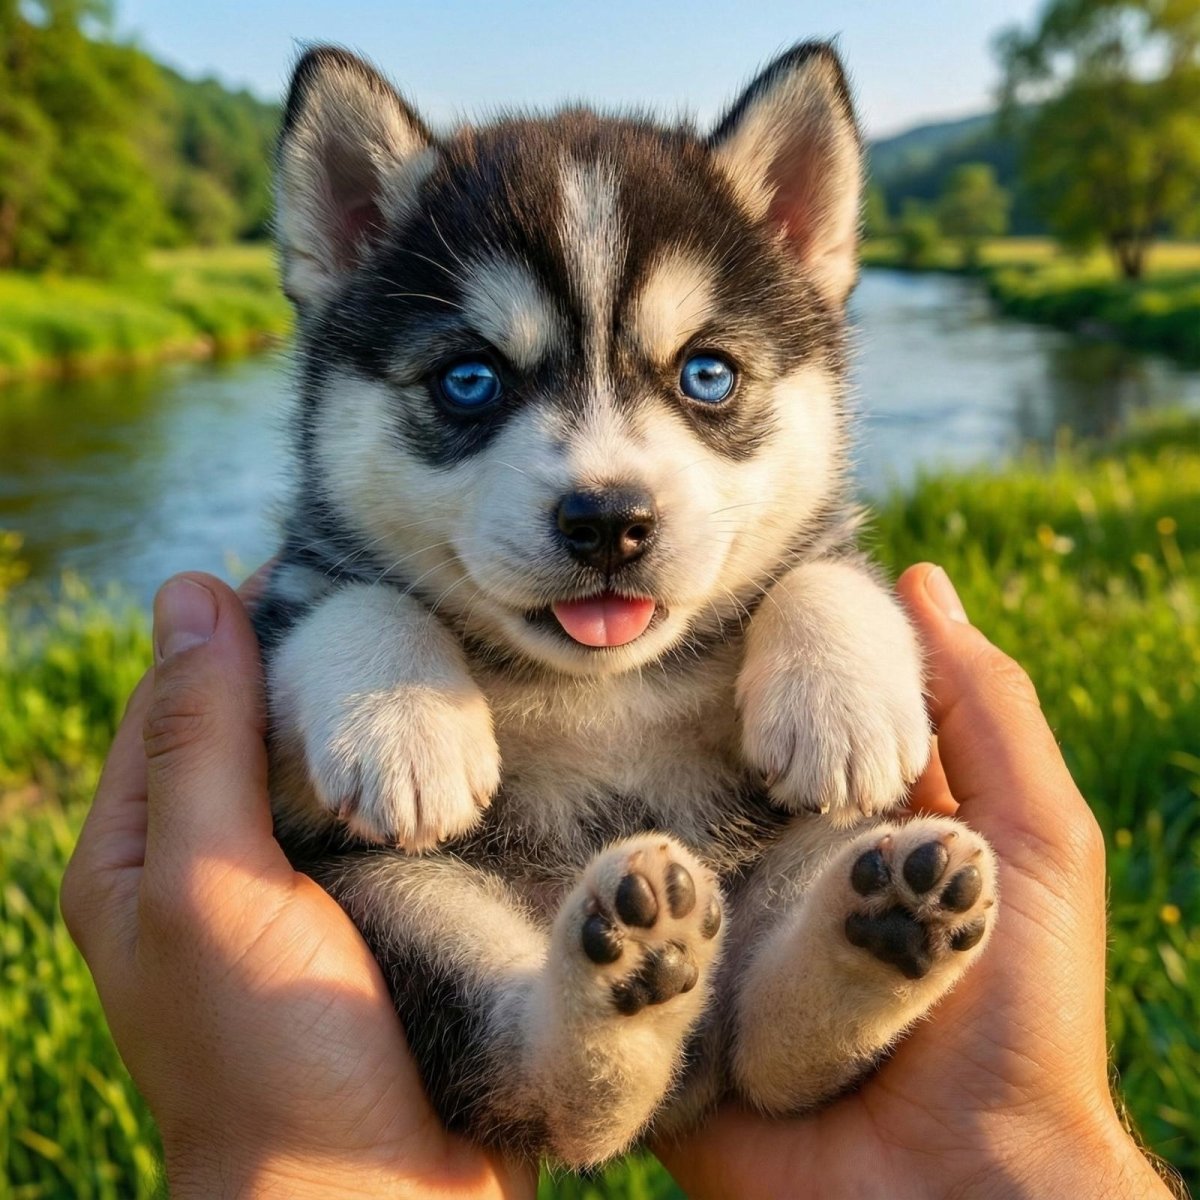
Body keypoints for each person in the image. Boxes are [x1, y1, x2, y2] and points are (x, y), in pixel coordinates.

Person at [60, 564, 1179, 1199]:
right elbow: (317, 780)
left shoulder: (784, 581)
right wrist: (368, 646)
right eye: (470, 378)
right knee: (388, 881)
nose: (605, 477)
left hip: (759, 912)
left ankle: (818, 1002)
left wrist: (830, 616)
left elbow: (827, 602)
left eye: (705, 375)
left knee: (833, 843)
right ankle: (566, 1054)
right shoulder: (366, 596)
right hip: (499, 946)